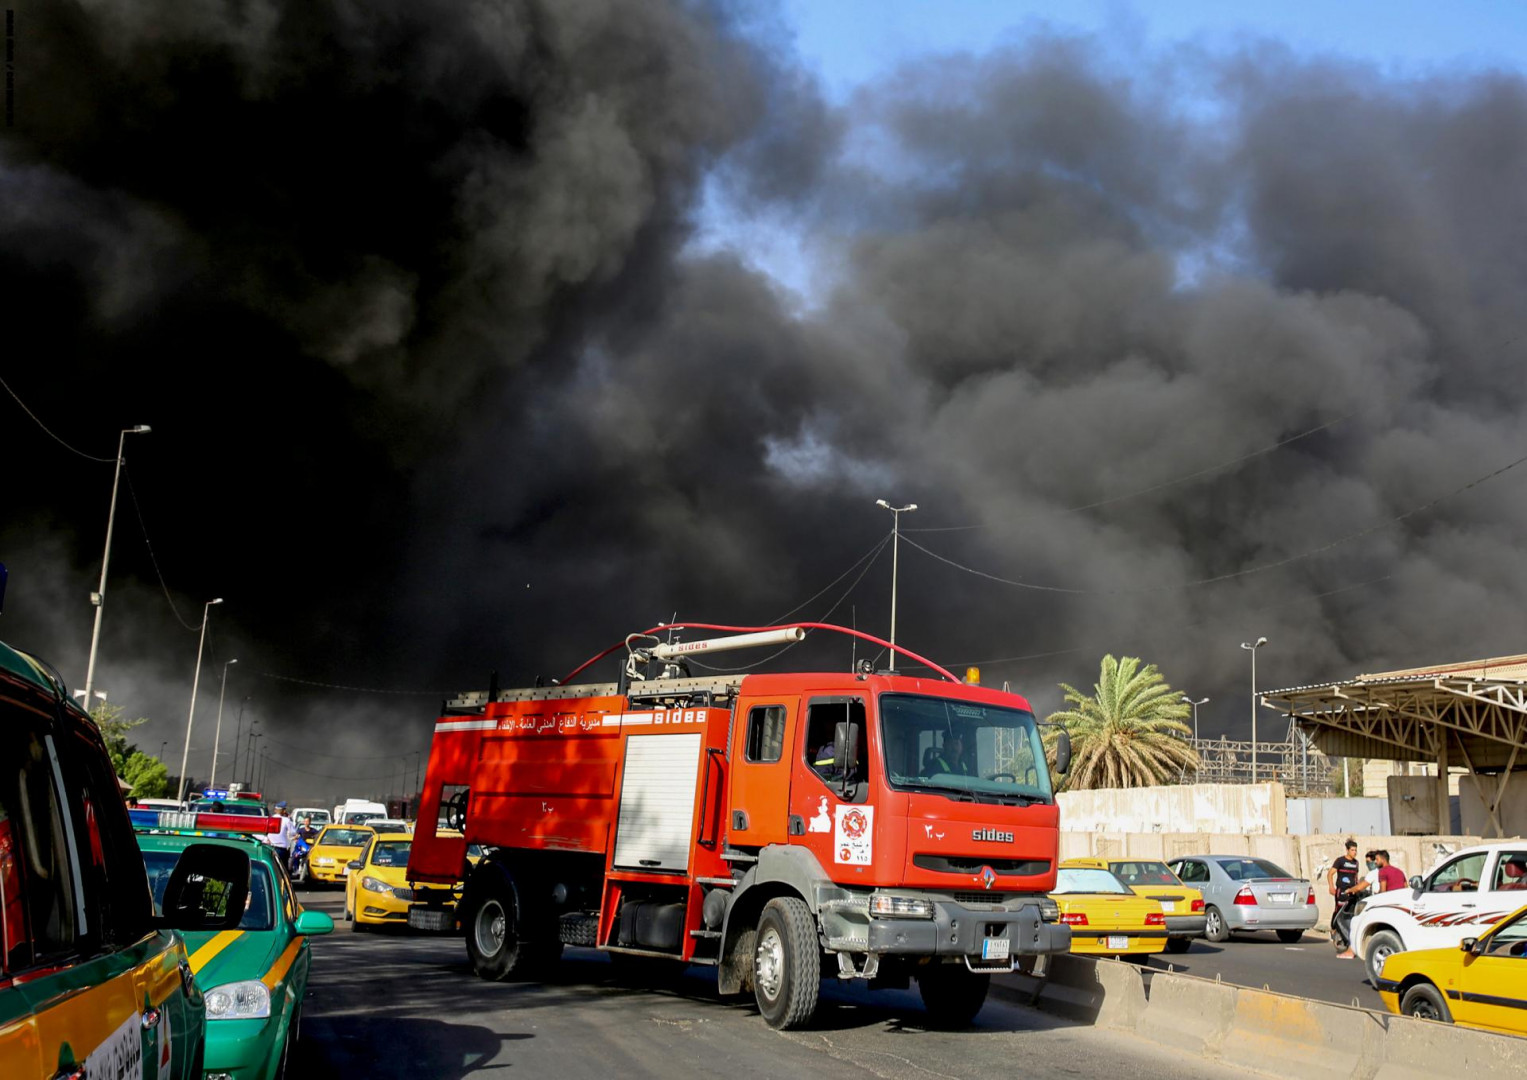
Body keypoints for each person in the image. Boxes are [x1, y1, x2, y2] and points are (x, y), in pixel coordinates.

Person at [1330, 839, 1361, 958]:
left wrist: (1357, 888)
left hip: (1352, 891)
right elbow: (1330, 873)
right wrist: (1331, 886)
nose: (1354, 852)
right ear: (1347, 850)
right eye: (1352, 850)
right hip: (1341, 891)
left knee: (1350, 913)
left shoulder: (1356, 863)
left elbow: (1356, 877)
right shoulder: (1340, 861)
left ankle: (1346, 935)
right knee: (1338, 910)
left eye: (1355, 850)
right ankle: (1333, 928)